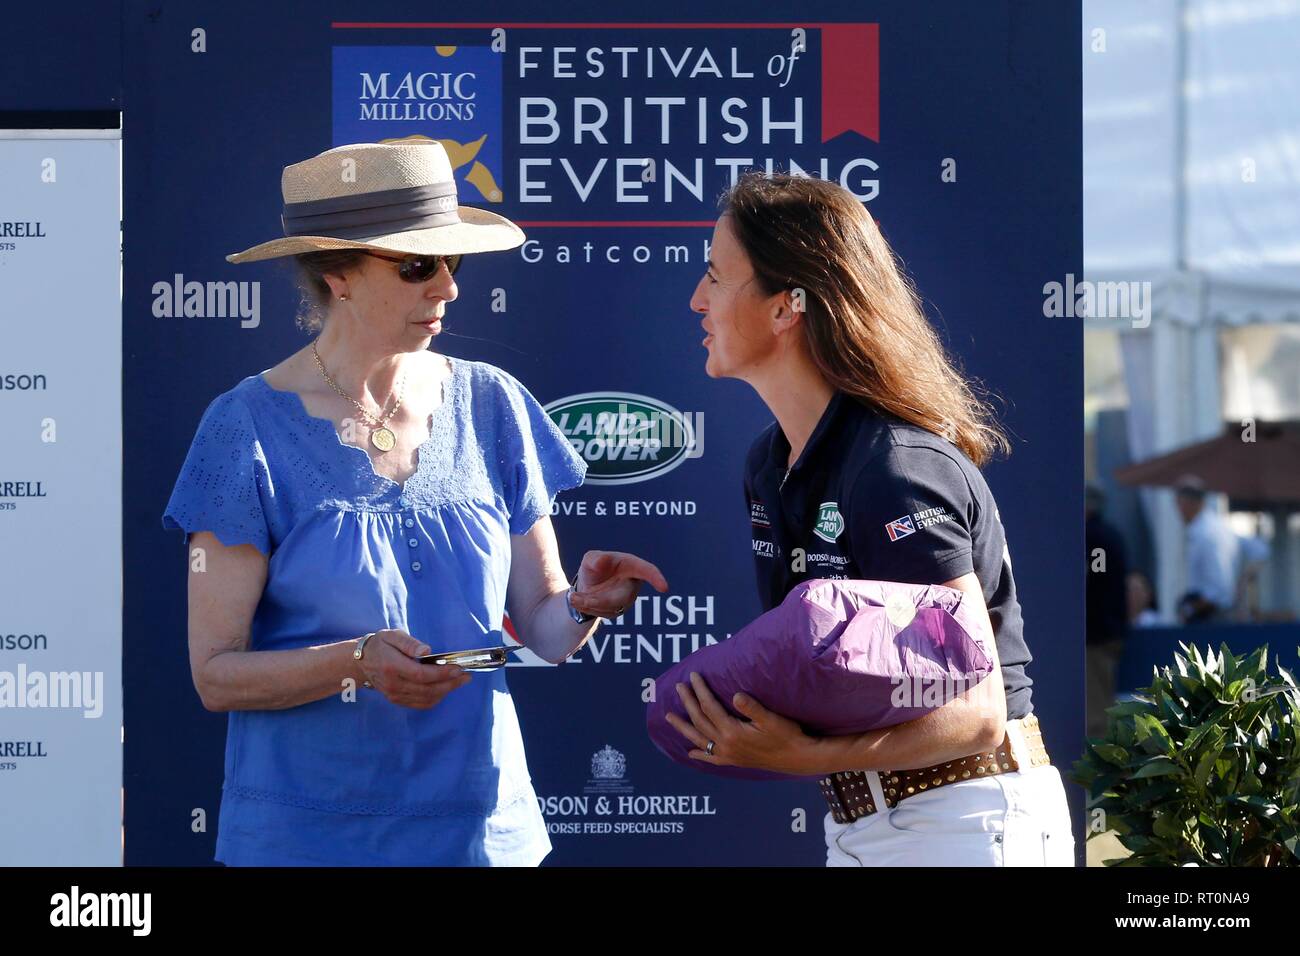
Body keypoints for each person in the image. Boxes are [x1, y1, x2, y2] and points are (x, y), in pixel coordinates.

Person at [161, 141, 668, 866]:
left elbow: (547, 631)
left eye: (451, 263)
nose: (447, 288)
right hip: (310, 842)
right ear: (337, 273)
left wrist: (584, 604)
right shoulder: (244, 428)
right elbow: (215, 673)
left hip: (482, 835)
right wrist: (358, 661)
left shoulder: (491, 403)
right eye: (415, 266)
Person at [667, 172, 1075, 866]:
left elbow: (976, 715)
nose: (697, 299)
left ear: (785, 307)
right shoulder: (768, 466)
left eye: (715, 275)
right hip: (865, 823)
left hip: (965, 818)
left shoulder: (895, 469)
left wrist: (803, 755)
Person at [1085, 483, 1129, 738]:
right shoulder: (1112, 534)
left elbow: (1097, 582)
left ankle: (1105, 768)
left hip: (1097, 635)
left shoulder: (1095, 537)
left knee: (1098, 711)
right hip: (1109, 632)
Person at [1172, 475, 1238, 623]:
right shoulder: (1211, 528)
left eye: (1178, 503)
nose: (1177, 509)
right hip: (1210, 613)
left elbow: (1218, 590)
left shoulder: (1207, 534)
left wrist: (1190, 609)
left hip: (1211, 618)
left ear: (1190, 503)